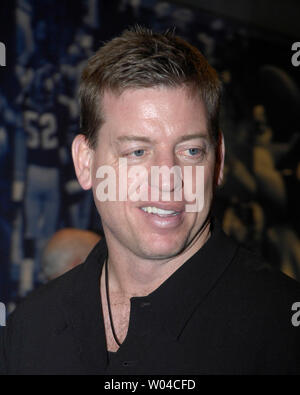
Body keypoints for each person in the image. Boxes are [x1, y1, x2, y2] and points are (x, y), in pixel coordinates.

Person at [1, 26, 300, 375]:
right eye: (138, 151)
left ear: (217, 161)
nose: (167, 179)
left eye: (190, 151)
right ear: (85, 163)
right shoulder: (30, 328)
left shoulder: (282, 330)